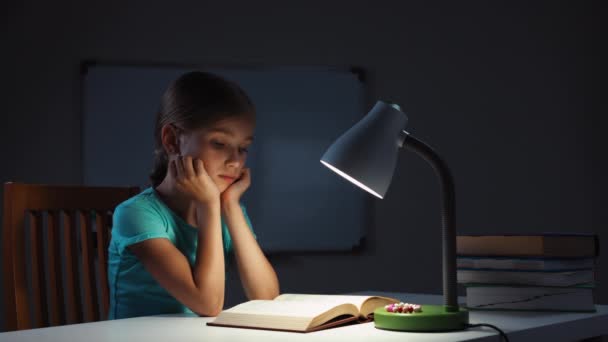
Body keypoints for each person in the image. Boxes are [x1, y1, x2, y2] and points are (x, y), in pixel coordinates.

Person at [107, 71, 279, 319]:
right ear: (172, 140)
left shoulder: (226, 211)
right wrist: (208, 205)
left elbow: (268, 299)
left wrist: (230, 206)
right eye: (219, 144)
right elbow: (208, 304)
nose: (234, 161)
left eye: (243, 148)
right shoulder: (136, 214)